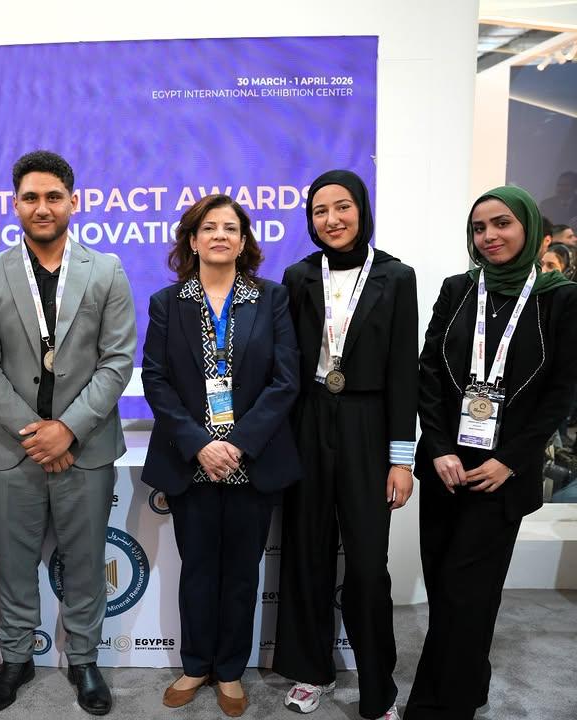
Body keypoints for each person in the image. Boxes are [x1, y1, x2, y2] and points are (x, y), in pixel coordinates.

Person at [0, 150, 136, 716]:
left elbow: (117, 361)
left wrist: (69, 430)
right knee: (13, 565)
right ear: (15, 204)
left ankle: (84, 660)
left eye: (53, 197)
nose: (43, 207)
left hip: (86, 447)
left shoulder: (106, 270)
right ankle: (16, 659)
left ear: (73, 202)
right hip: (13, 449)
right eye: (31, 197)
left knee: (85, 562)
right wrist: (37, 434)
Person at [407, 186, 577, 719]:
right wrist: (438, 448)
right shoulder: (459, 289)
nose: (489, 236)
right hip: (446, 466)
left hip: (502, 472)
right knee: (445, 585)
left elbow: (561, 394)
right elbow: (428, 372)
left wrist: (510, 460)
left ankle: (439, 706)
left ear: (530, 228)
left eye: (502, 223)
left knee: (468, 591)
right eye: (479, 228)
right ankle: (470, 683)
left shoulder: (560, 298)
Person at [139, 194, 300, 718]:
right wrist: (201, 445)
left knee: (242, 573)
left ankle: (229, 670)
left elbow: (285, 380)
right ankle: (195, 664)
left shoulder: (271, 298)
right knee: (198, 570)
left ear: (243, 240)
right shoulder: (168, 303)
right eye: (209, 228)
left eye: (231, 228)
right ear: (192, 240)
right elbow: (156, 380)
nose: (220, 236)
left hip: (252, 460)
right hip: (192, 461)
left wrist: (238, 443)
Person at [273, 170, 417, 720]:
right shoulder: (297, 276)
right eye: (319, 211)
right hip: (308, 421)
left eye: (342, 207)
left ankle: (378, 689)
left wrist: (400, 459)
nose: (331, 220)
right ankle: (310, 671)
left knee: (367, 566)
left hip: (368, 424)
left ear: (362, 210)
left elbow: (404, 372)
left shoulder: (395, 277)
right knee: (306, 552)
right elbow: (285, 366)